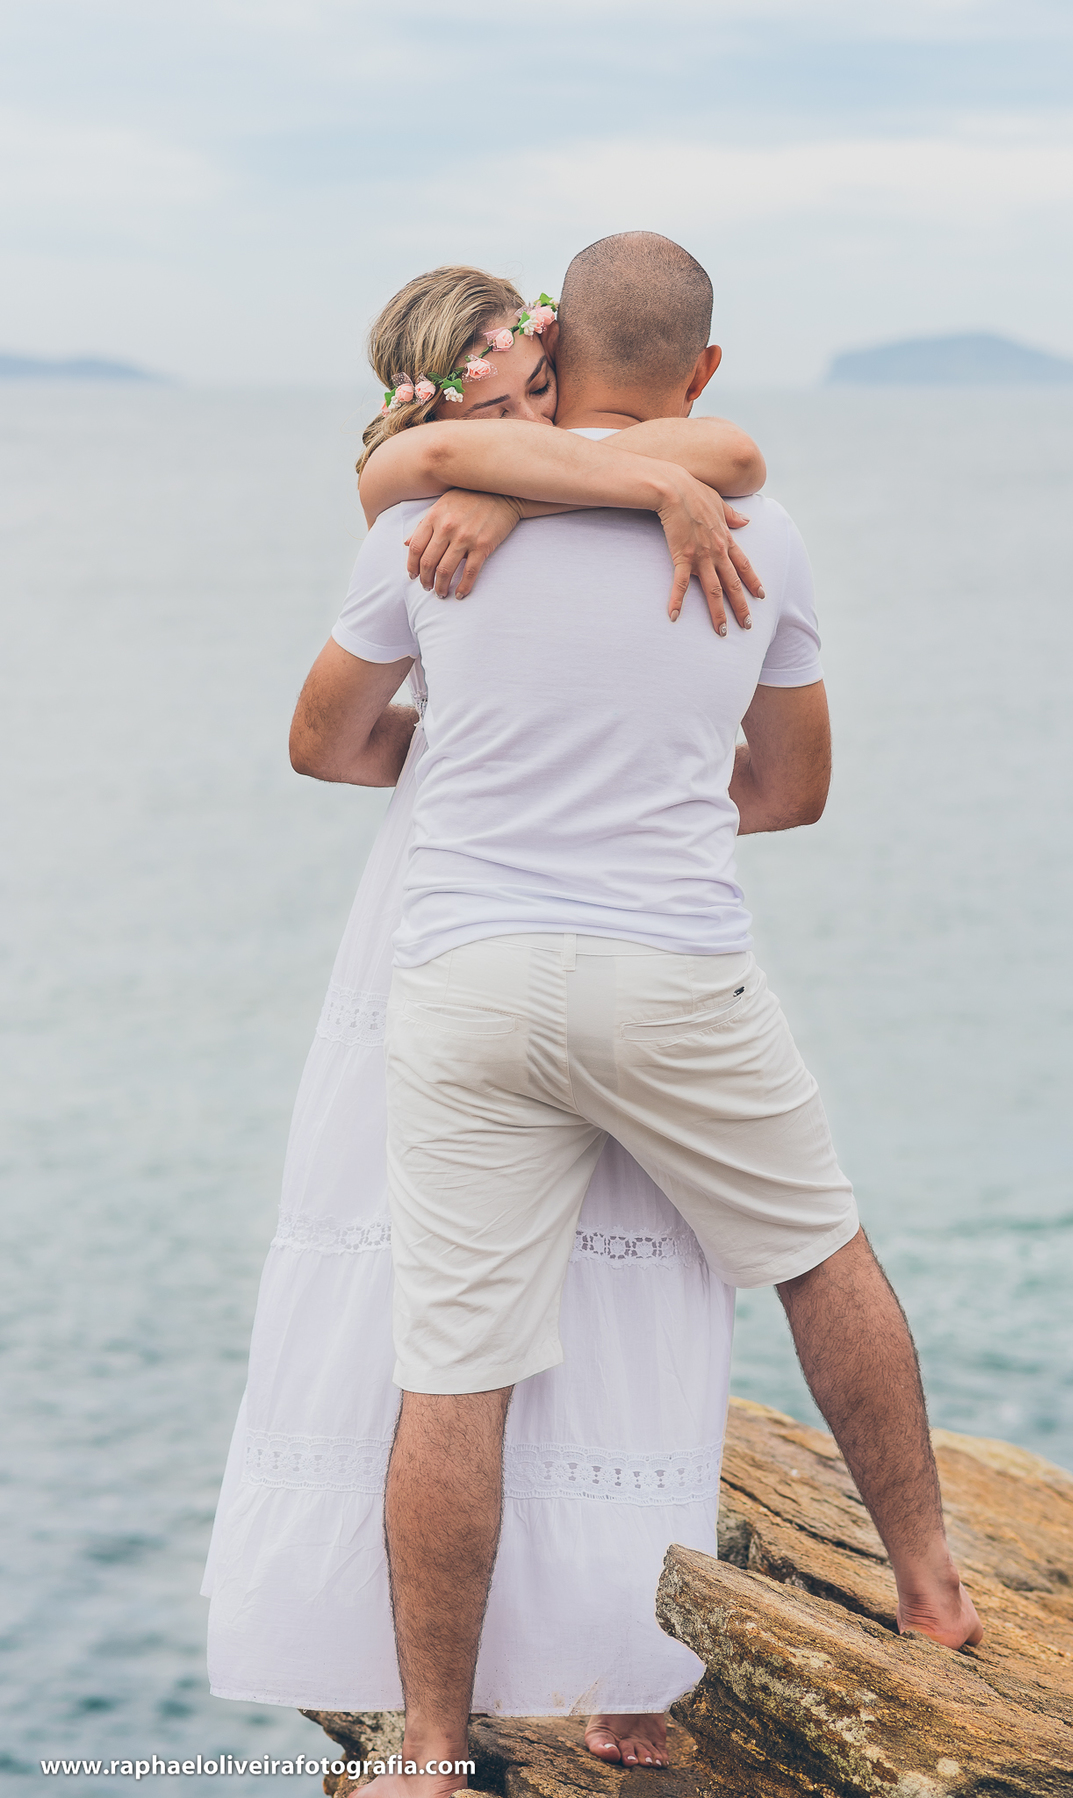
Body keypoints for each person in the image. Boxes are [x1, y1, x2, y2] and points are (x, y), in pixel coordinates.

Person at [292, 232, 982, 1798]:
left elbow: (327, 745)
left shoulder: (427, 524)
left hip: (464, 973)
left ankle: (428, 1751)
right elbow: (792, 792)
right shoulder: (764, 528)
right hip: (672, 968)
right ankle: (932, 1593)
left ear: (558, 347)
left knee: (454, 1368)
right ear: (702, 368)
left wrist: (487, 758)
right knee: (819, 1256)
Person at [202, 262, 776, 1772]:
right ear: (439, 409)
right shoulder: (416, 496)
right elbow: (328, 741)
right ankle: (437, 1696)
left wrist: (530, 499)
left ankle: (624, 1660)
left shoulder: (524, 486)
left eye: (548, 390)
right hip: (468, 905)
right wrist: (475, 756)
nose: (542, 423)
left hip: (573, 914)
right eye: (508, 411)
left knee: (634, 1284)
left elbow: (725, 459)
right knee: (455, 1306)